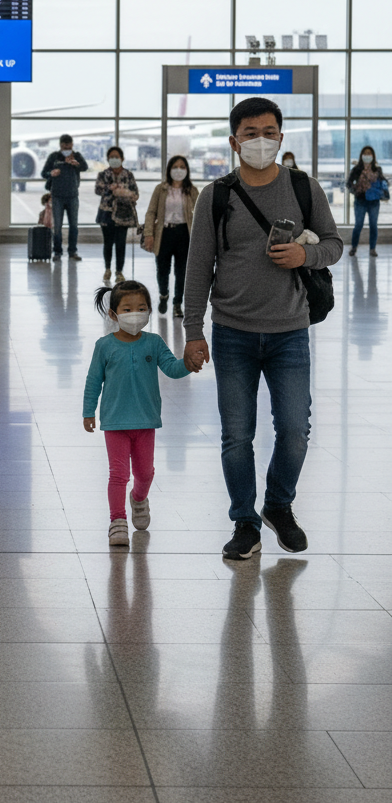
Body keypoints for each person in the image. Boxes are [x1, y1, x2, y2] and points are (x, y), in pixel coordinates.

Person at [182, 97, 343, 561]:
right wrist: (194, 332)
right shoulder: (217, 195)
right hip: (232, 331)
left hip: (290, 330)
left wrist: (304, 256)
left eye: (268, 131)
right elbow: (198, 268)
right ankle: (245, 523)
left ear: (281, 137)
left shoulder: (303, 187)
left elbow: (333, 244)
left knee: (295, 430)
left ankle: (278, 504)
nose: (260, 141)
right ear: (234, 142)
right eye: (250, 133)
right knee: (237, 435)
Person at [83, 281, 193, 547]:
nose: (136, 314)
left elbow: (171, 368)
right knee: (118, 474)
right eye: (128, 308)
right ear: (113, 314)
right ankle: (117, 520)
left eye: (142, 308)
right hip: (115, 422)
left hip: (146, 420)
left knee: (145, 472)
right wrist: (88, 411)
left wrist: (188, 363)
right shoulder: (104, 346)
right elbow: (93, 380)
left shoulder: (154, 343)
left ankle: (139, 499)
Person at [142, 155, 199, 318]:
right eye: (175, 167)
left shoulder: (191, 190)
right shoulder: (161, 189)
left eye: (182, 167)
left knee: (182, 271)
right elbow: (151, 212)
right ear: (169, 170)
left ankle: (177, 303)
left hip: (184, 234)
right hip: (164, 233)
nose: (179, 170)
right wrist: (148, 234)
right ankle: (163, 295)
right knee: (162, 269)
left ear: (187, 170)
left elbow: (201, 213)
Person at [94, 146, 139, 284]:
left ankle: (119, 271)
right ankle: (107, 268)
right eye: (111, 157)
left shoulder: (128, 175)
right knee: (108, 243)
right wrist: (110, 189)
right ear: (107, 159)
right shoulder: (103, 174)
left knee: (120, 243)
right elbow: (98, 189)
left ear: (122, 158)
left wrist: (126, 193)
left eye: (116, 157)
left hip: (123, 213)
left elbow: (135, 193)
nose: (114, 160)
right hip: (106, 213)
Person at [41, 134, 88, 261]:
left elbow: (85, 167)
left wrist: (76, 164)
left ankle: (72, 251)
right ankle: (57, 252)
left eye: (68, 146)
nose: (66, 148)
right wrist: (51, 173)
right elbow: (43, 173)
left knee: (74, 226)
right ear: (60, 146)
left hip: (73, 196)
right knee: (57, 226)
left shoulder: (76, 156)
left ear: (72, 145)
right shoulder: (54, 157)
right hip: (57, 197)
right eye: (64, 146)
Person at [347, 145, 387, 258]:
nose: (367, 155)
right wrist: (356, 190)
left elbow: (383, 182)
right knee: (358, 225)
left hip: (374, 201)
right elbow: (349, 183)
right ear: (361, 155)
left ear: (373, 156)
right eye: (365, 153)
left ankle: (372, 249)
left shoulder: (377, 169)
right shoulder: (357, 169)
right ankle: (354, 247)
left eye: (369, 153)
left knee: (373, 225)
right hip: (360, 200)